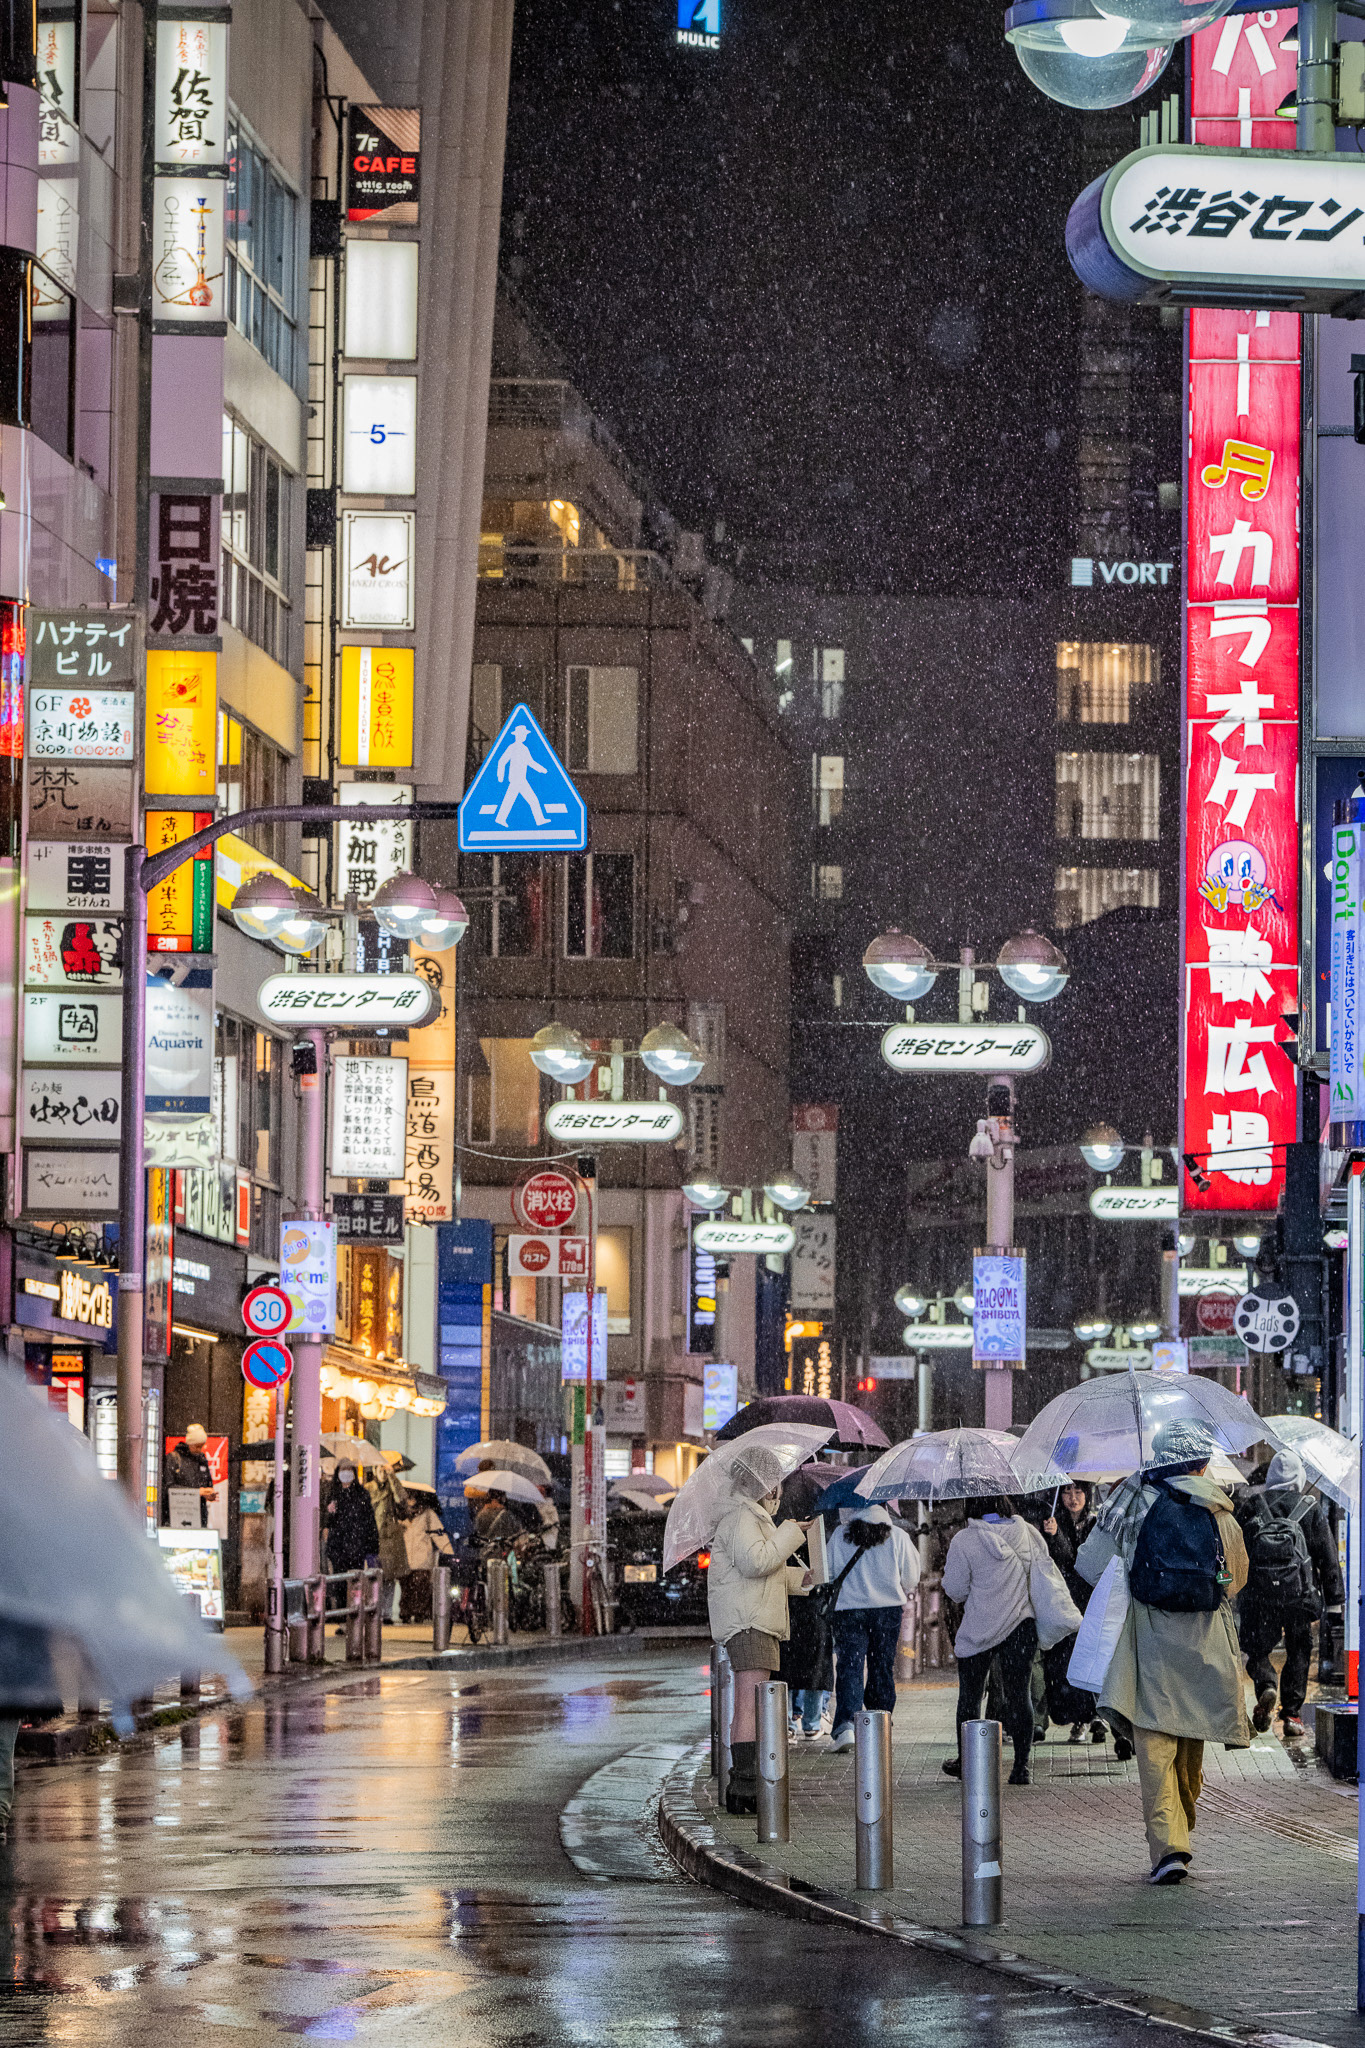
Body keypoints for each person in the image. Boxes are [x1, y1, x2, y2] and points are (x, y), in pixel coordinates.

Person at [1075, 1419, 1249, 1886]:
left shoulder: (1133, 1500)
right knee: (1191, 1734)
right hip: (1205, 1637)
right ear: (1203, 1461)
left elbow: (1089, 1565)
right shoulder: (1218, 1507)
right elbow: (1236, 1578)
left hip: (1148, 1635)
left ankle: (1169, 1844)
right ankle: (1182, 1824)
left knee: (1154, 1742)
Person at [941, 1494, 1080, 1787]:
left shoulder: (965, 1540)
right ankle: (1021, 1766)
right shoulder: (1028, 1532)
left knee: (970, 1697)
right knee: (1019, 1696)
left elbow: (955, 1589)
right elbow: (1043, 1567)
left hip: (980, 1627)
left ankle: (969, 1762)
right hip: (1021, 1625)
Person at [707, 1444, 811, 1814]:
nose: (778, 1490)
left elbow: (765, 1572)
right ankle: (745, 1786)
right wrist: (790, 1533)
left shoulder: (748, 1517)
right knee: (750, 1704)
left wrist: (804, 1579)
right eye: (775, 1481)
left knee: (751, 1702)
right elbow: (756, 1563)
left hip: (755, 1617)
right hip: (749, 1621)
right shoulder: (742, 1518)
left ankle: (745, 1785)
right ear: (763, 1484)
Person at [1235, 1447, 1342, 1739]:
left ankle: (1267, 1683)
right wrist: (1334, 1601)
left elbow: (1237, 1550)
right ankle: (1292, 1715)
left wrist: (1233, 1587)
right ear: (1298, 1477)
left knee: (1257, 1650)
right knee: (1299, 1649)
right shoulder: (1309, 1506)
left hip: (1260, 1596)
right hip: (1299, 1596)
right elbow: (1326, 1556)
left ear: (1270, 1477)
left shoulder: (1253, 1505)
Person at [825, 1503, 921, 1752]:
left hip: (848, 1611)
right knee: (881, 1666)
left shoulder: (840, 1534)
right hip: (887, 1611)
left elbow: (829, 1573)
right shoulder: (898, 1536)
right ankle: (879, 1721)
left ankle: (846, 1726)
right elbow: (911, 1578)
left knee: (850, 1666)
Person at [1035, 1481, 1107, 1745]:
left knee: (1088, 1658)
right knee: (1062, 1662)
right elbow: (1060, 1562)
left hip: (1089, 1601)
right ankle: (1077, 1716)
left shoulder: (1096, 1524)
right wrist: (1052, 1536)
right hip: (1061, 1602)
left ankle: (1092, 1716)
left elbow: (1085, 1561)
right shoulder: (1051, 1522)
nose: (1073, 1498)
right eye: (1067, 1491)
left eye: (1079, 1492)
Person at [400, 1489, 456, 1621]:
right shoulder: (400, 1514)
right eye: (408, 1497)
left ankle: (419, 1613)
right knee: (406, 1587)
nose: (410, 1500)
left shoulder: (428, 1514)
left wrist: (448, 1550)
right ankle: (406, 1613)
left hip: (422, 1557)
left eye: (413, 1497)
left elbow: (438, 1533)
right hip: (404, 1557)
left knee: (421, 1586)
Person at [367, 1456, 411, 1621]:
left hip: (391, 1538)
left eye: (385, 1470)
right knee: (375, 1577)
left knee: (390, 1577)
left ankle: (386, 1612)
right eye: (380, 1469)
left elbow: (401, 1499)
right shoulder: (369, 1488)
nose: (383, 1473)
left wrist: (393, 1477)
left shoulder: (393, 1488)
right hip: (375, 1537)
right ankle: (375, 1609)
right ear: (374, 1471)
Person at [324, 1460, 381, 1576]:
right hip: (338, 1548)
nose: (346, 1473)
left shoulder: (361, 1494)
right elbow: (328, 1522)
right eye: (343, 1470)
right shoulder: (333, 1494)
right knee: (339, 1582)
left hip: (357, 1548)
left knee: (355, 1582)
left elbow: (369, 1521)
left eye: (349, 1470)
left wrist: (372, 1547)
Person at [163, 1424, 216, 1528]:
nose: (200, 1449)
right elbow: (168, 1487)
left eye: (202, 1446)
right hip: (178, 1513)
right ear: (190, 1444)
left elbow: (208, 1483)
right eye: (197, 1446)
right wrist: (197, 1492)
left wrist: (209, 1493)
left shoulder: (201, 1459)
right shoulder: (173, 1458)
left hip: (199, 1515)